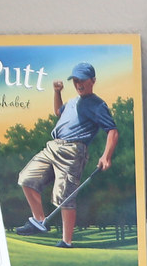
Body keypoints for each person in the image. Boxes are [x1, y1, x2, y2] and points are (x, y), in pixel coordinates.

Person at [15, 62, 119, 248]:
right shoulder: (73, 101)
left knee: (65, 196)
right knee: (26, 178)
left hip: (73, 152)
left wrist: (106, 156)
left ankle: (67, 241)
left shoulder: (97, 105)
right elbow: (58, 112)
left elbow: (112, 131)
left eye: (83, 80)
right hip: (53, 146)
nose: (79, 84)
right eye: (76, 80)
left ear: (93, 80)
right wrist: (57, 92)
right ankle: (39, 221)